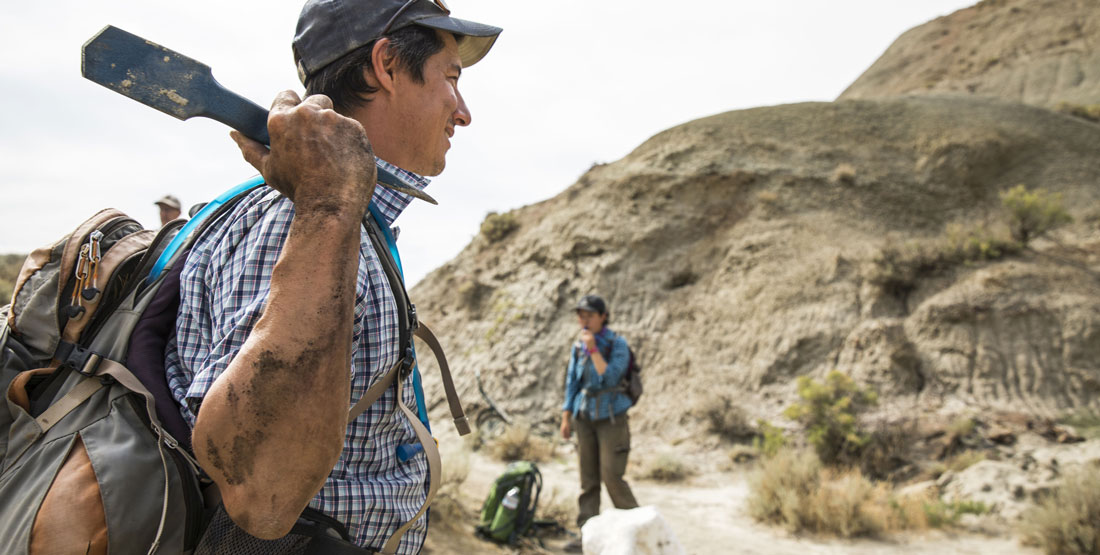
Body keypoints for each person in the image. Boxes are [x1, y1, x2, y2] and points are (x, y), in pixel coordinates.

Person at [162, 0, 501, 552]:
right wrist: (326, 204)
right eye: (451, 79)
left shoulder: (341, 217)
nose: (462, 112)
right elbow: (260, 492)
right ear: (386, 65)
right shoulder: (303, 220)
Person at [560, 294, 640, 543]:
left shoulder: (617, 344)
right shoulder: (577, 346)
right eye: (580, 315)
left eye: (589, 315)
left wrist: (593, 349)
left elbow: (611, 377)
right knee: (588, 479)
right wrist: (566, 416)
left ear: (603, 316)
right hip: (584, 417)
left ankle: (637, 532)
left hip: (612, 418)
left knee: (612, 476)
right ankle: (587, 536)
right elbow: (572, 381)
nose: (584, 320)